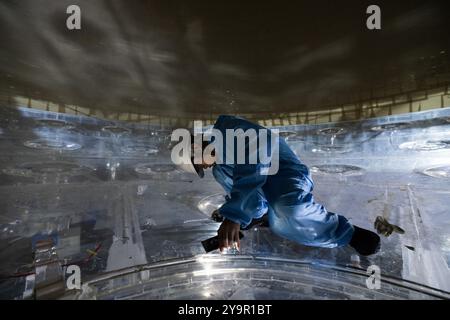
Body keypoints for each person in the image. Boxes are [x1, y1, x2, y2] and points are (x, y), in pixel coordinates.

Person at [178, 115, 380, 256]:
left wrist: (235, 216)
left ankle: (348, 234)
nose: (205, 165)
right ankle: (270, 217)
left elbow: (256, 153)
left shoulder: (228, 129)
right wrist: (246, 218)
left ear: (196, 147)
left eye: (199, 163)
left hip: (283, 173)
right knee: (280, 225)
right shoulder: (220, 170)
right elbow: (245, 195)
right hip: (266, 191)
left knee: (291, 209)